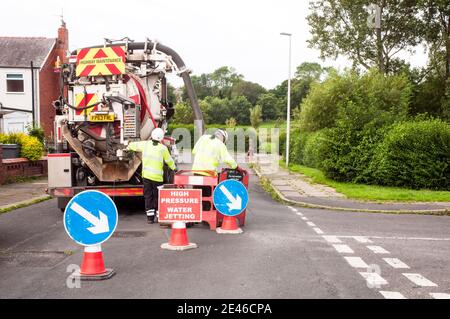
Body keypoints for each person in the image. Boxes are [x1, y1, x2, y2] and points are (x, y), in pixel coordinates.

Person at [127, 127, 176, 224]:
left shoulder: (145, 145)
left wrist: (128, 146)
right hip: (158, 178)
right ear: (161, 138)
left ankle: (150, 218)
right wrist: (174, 168)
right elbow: (169, 161)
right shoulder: (163, 148)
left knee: (148, 196)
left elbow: (134, 145)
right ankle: (159, 216)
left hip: (147, 177)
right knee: (158, 197)